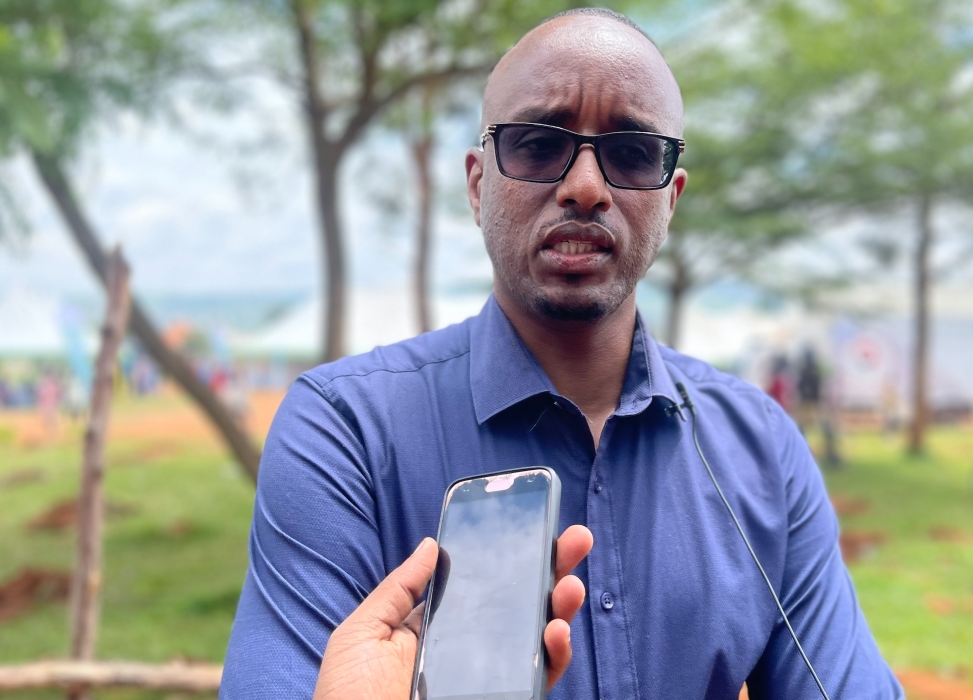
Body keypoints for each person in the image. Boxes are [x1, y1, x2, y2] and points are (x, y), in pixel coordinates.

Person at [221, 8, 900, 700]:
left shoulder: (762, 450)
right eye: (539, 145)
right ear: (479, 183)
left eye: (633, 152)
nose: (584, 186)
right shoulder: (344, 432)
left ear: (672, 196)